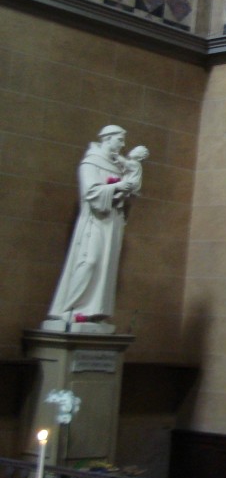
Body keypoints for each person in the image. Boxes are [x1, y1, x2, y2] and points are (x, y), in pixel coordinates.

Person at [45, 126, 147, 328]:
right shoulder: (90, 162)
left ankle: (92, 312)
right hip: (95, 220)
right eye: (120, 139)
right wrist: (117, 186)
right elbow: (91, 192)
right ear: (107, 138)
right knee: (89, 261)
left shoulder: (119, 165)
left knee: (105, 266)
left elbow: (127, 191)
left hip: (112, 222)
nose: (123, 144)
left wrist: (126, 192)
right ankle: (68, 308)